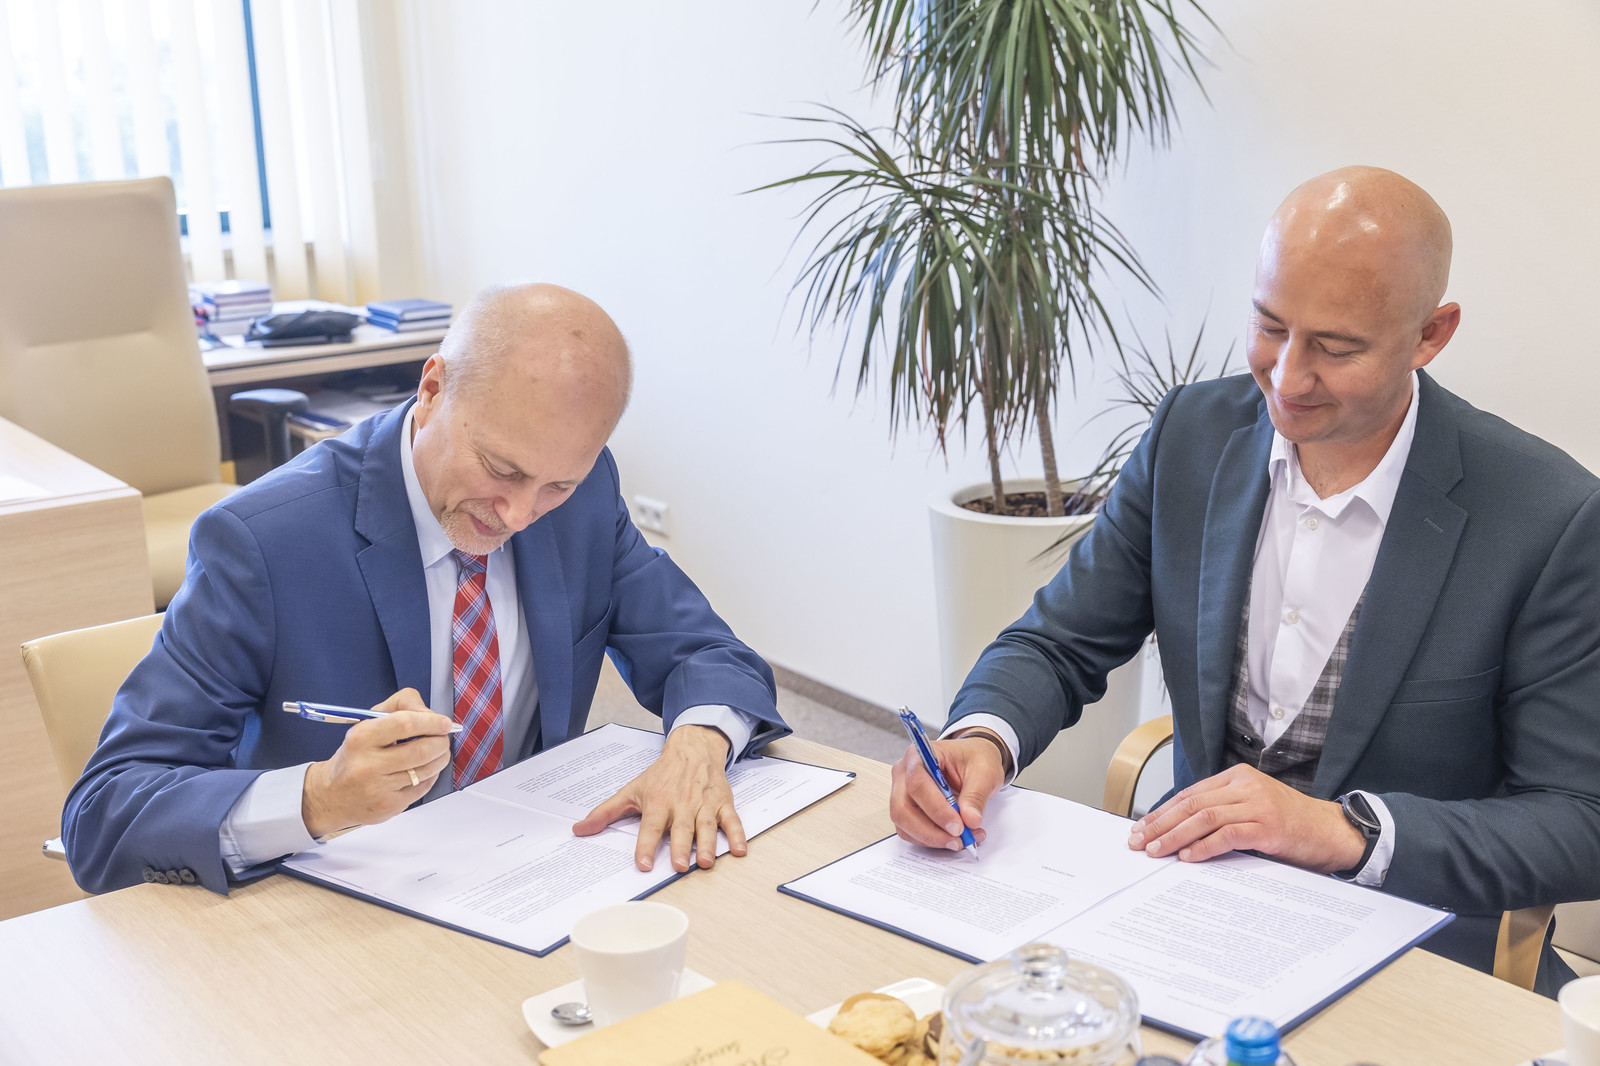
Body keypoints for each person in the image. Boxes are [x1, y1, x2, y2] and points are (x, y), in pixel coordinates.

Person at [889, 166, 1600, 995]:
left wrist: (1342, 832)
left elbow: (1580, 818)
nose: (1287, 379)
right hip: (1194, 913)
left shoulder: (1547, 516)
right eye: (1269, 326)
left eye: (1337, 348)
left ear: (1430, 335)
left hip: (1410, 949)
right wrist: (981, 739)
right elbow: (1059, 642)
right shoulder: (1190, 435)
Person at [64, 283, 788, 895]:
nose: (518, 515)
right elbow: (103, 814)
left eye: (556, 485)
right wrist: (317, 798)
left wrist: (697, 745)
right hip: (335, 914)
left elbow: (705, 651)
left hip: (529, 881)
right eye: (501, 469)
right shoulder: (263, 542)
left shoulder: (585, 497)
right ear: (434, 389)